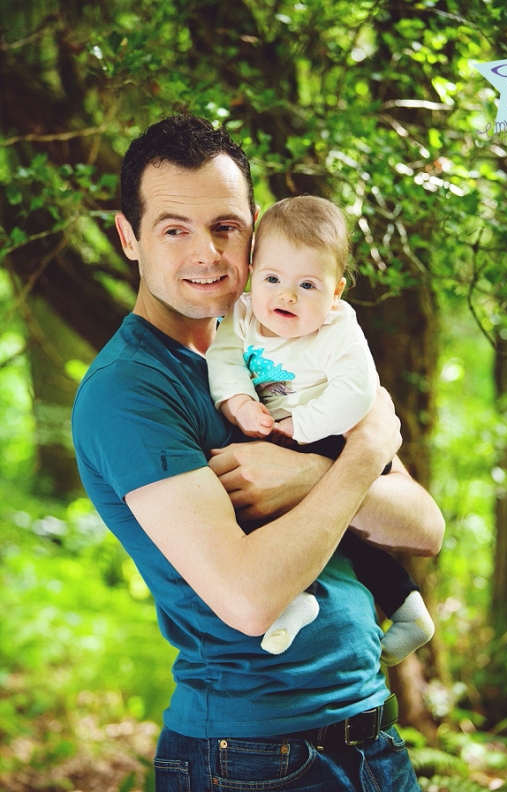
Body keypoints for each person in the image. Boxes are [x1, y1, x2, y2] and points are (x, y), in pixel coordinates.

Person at [71, 115, 444, 792]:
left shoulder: (277, 344)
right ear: (129, 237)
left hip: (369, 740)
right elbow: (247, 598)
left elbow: (423, 527)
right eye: (173, 228)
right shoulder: (130, 390)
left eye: (225, 227)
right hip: (252, 758)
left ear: (256, 230)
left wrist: (308, 474)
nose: (206, 254)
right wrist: (360, 457)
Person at [206, 195, 434, 663]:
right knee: (326, 528)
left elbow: (357, 391)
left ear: (336, 293)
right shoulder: (243, 316)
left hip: (333, 435)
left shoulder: (338, 329)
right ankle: (326, 601)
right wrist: (238, 402)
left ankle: (392, 608)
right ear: (252, 275)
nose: (286, 295)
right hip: (276, 430)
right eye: (273, 279)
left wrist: (300, 428)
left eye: (307, 284)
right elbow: (223, 359)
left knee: (333, 519)